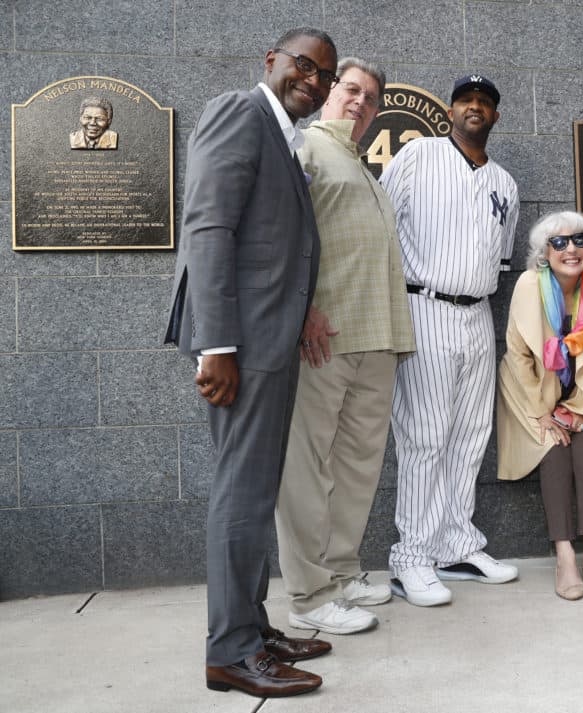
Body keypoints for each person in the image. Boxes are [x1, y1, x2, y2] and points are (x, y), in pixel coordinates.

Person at [164, 28, 338, 697]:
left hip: (267, 342)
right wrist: (217, 345)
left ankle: (250, 625)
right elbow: (208, 227)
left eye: (324, 75)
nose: (314, 83)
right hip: (242, 346)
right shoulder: (241, 111)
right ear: (271, 60)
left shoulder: (282, 135)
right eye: (304, 66)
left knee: (255, 491)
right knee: (242, 494)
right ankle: (230, 651)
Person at [274, 57, 416, 637]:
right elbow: (278, 234)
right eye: (351, 89)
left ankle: (340, 572)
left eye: (370, 96)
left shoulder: (361, 165)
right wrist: (302, 309)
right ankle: (308, 595)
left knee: (357, 466)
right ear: (331, 92)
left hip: (376, 339)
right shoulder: (305, 148)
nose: (360, 100)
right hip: (323, 341)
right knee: (307, 469)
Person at [380, 73, 520, 606]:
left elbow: (500, 261)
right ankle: (411, 556)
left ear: (496, 116)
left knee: (470, 434)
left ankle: (456, 544)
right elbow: (382, 229)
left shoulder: (504, 182)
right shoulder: (418, 157)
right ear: (452, 109)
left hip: (477, 312)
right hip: (425, 305)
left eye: (486, 101)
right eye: (467, 100)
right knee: (425, 435)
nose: (476, 107)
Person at [497, 211, 583, 599]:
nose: (571, 249)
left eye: (579, 240)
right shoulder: (529, 285)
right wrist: (543, 411)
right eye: (560, 242)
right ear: (544, 251)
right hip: (529, 390)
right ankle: (565, 555)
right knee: (553, 449)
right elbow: (518, 355)